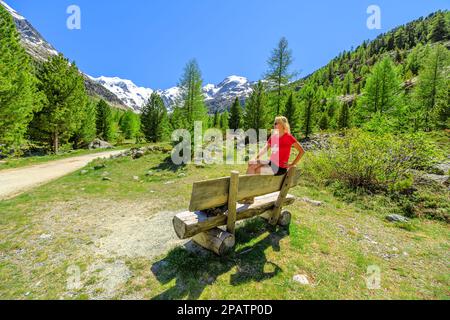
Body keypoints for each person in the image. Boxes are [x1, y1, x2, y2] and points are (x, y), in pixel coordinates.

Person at [240, 116, 306, 204]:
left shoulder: (288, 137)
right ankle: (249, 196)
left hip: (279, 168)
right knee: (251, 164)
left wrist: (292, 164)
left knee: (255, 170)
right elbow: (264, 149)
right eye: (274, 123)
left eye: (276, 123)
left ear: (283, 125)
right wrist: (255, 158)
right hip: (271, 162)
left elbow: (302, 151)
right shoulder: (274, 137)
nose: (274, 125)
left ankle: (249, 196)